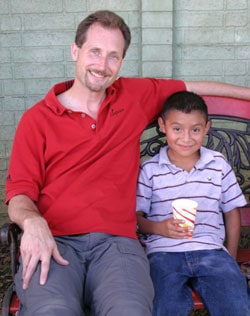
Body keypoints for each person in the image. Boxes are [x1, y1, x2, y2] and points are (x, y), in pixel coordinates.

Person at [5, 9, 250, 316]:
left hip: (117, 244)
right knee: (53, 310)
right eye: (95, 51)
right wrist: (32, 221)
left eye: (113, 56)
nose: (102, 65)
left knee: (128, 309)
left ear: (121, 62)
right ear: (75, 51)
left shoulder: (133, 96)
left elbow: (195, 87)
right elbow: (19, 195)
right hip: (55, 241)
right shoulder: (36, 120)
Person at [136, 90, 250, 316]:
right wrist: (159, 227)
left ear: (206, 128)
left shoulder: (217, 164)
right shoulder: (151, 170)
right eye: (177, 128)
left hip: (211, 251)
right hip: (162, 254)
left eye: (195, 130)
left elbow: (231, 211)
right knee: (164, 306)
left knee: (236, 304)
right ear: (163, 126)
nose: (186, 138)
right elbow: (136, 218)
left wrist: (230, 254)